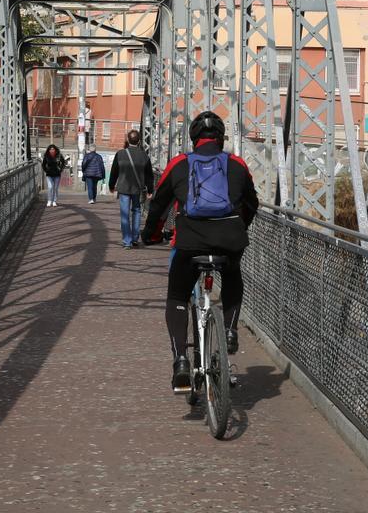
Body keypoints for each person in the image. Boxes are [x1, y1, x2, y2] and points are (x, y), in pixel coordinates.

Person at [142, 111, 258, 391]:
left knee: (177, 295)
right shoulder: (237, 164)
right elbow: (252, 202)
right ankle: (229, 329)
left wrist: (151, 235)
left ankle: (181, 359)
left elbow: (158, 204)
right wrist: (239, 227)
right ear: (221, 139)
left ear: (194, 139)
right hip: (229, 239)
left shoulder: (180, 163)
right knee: (232, 276)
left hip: (190, 240)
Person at [108, 129, 155, 249]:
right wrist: (150, 190)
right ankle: (135, 238)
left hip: (123, 188)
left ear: (128, 140)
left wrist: (111, 185)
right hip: (137, 188)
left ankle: (127, 241)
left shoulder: (120, 154)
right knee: (137, 211)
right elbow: (149, 174)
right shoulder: (144, 155)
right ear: (139, 141)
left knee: (125, 214)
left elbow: (114, 171)